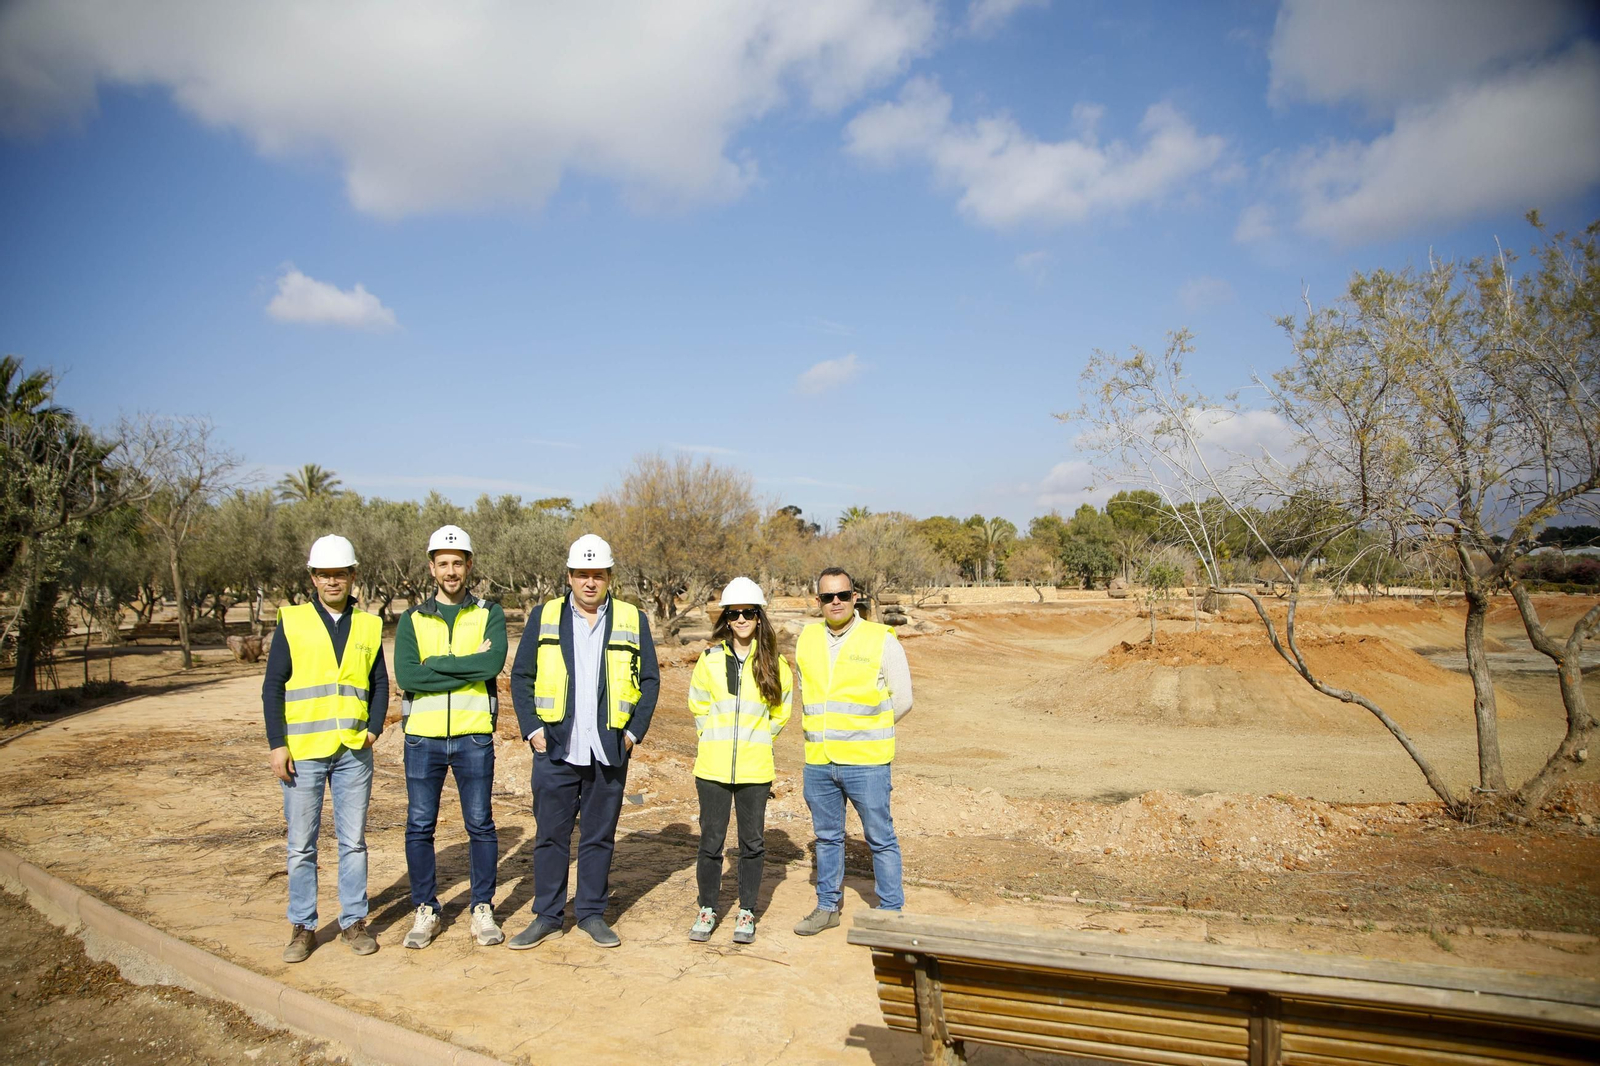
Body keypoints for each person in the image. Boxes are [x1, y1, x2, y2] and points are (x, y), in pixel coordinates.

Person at [507, 533, 660, 949]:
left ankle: (591, 913)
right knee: (550, 837)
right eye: (581, 574)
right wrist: (533, 730)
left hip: (608, 749)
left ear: (609, 577)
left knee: (598, 836)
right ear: (569, 576)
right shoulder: (544, 616)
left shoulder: (632, 618)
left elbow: (650, 680)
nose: (589, 582)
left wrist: (632, 734)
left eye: (598, 575)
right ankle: (547, 916)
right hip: (556, 747)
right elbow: (521, 676)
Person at [262, 534, 389, 963]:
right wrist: (277, 744)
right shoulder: (293, 621)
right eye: (324, 574)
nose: (332, 581)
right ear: (313, 578)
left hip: (353, 750)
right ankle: (303, 925)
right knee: (302, 844)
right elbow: (273, 685)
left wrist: (373, 729)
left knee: (353, 842)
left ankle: (354, 921)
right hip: (303, 751)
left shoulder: (369, 625)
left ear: (352, 576)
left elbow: (379, 682)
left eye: (340, 574)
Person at [393, 524, 508, 949]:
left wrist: (434, 664)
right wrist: (465, 665)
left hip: (473, 736)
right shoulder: (411, 618)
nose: (451, 571)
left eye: (457, 563)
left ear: (469, 565)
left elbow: (491, 665)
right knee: (420, 825)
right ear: (431, 568)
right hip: (422, 738)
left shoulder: (490, 613)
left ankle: (482, 907)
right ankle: (426, 908)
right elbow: (407, 676)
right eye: (443, 563)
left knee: (480, 823)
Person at [793, 566, 914, 935]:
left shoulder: (881, 639)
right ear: (817, 601)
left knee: (880, 837)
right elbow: (807, 692)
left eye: (843, 595)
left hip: (867, 763)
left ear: (854, 597)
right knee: (827, 838)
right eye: (828, 596)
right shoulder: (806, 639)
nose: (836, 602)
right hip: (819, 762)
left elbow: (903, 699)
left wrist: (867, 730)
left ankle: (890, 914)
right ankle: (827, 906)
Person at [686, 577, 793, 945]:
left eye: (748, 612)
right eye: (734, 614)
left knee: (752, 843)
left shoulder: (776, 663)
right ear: (727, 619)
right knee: (711, 842)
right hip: (712, 769)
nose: (742, 619)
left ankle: (746, 910)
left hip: (755, 769)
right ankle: (707, 908)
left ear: (759, 616)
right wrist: (710, 737)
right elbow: (698, 704)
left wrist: (757, 740)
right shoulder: (709, 659)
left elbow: (780, 713)